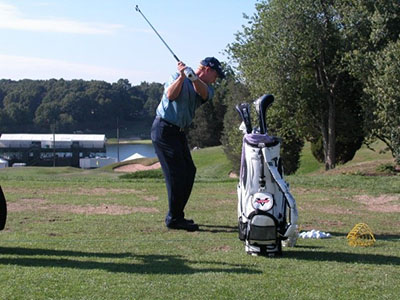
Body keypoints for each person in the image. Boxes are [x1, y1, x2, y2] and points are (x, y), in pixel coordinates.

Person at [151, 57, 225, 231]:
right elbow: (171, 95)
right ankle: (174, 218)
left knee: (189, 171)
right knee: (176, 175)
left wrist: (192, 78)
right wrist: (182, 77)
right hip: (164, 130)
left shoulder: (206, 88)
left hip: (179, 132)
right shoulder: (176, 76)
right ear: (207, 69)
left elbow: (204, 93)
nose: (216, 79)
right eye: (215, 75)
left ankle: (177, 215)